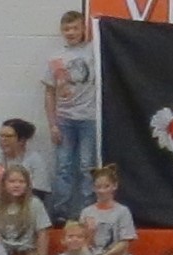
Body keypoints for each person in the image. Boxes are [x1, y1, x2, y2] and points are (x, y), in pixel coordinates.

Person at [43, 11, 99, 222]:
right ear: (62, 31)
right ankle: (60, 214)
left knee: (87, 167)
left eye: (75, 28)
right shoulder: (55, 58)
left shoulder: (93, 52)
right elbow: (49, 93)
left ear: (83, 29)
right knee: (63, 167)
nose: (71, 32)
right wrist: (53, 125)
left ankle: (87, 212)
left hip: (89, 119)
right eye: (67, 29)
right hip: (64, 120)